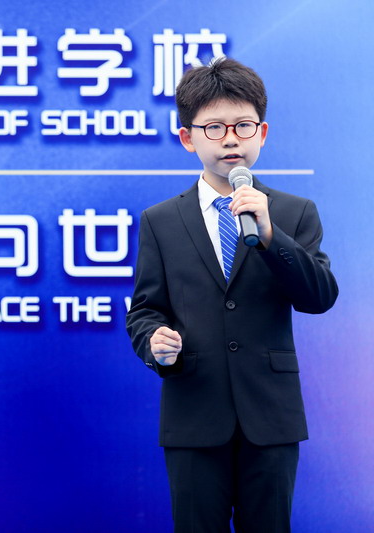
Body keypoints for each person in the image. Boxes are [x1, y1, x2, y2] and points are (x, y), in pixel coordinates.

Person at [125, 57, 338, 533]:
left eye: (243, 125)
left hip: (271, 415)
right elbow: (145, 309)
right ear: (188, 138)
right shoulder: (160, 221)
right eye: (214, 127)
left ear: (262, 133)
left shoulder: (294, 212)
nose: (230, 139)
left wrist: (271, 235)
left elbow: (319, 297)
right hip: (193, 414)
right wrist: (155, 342)